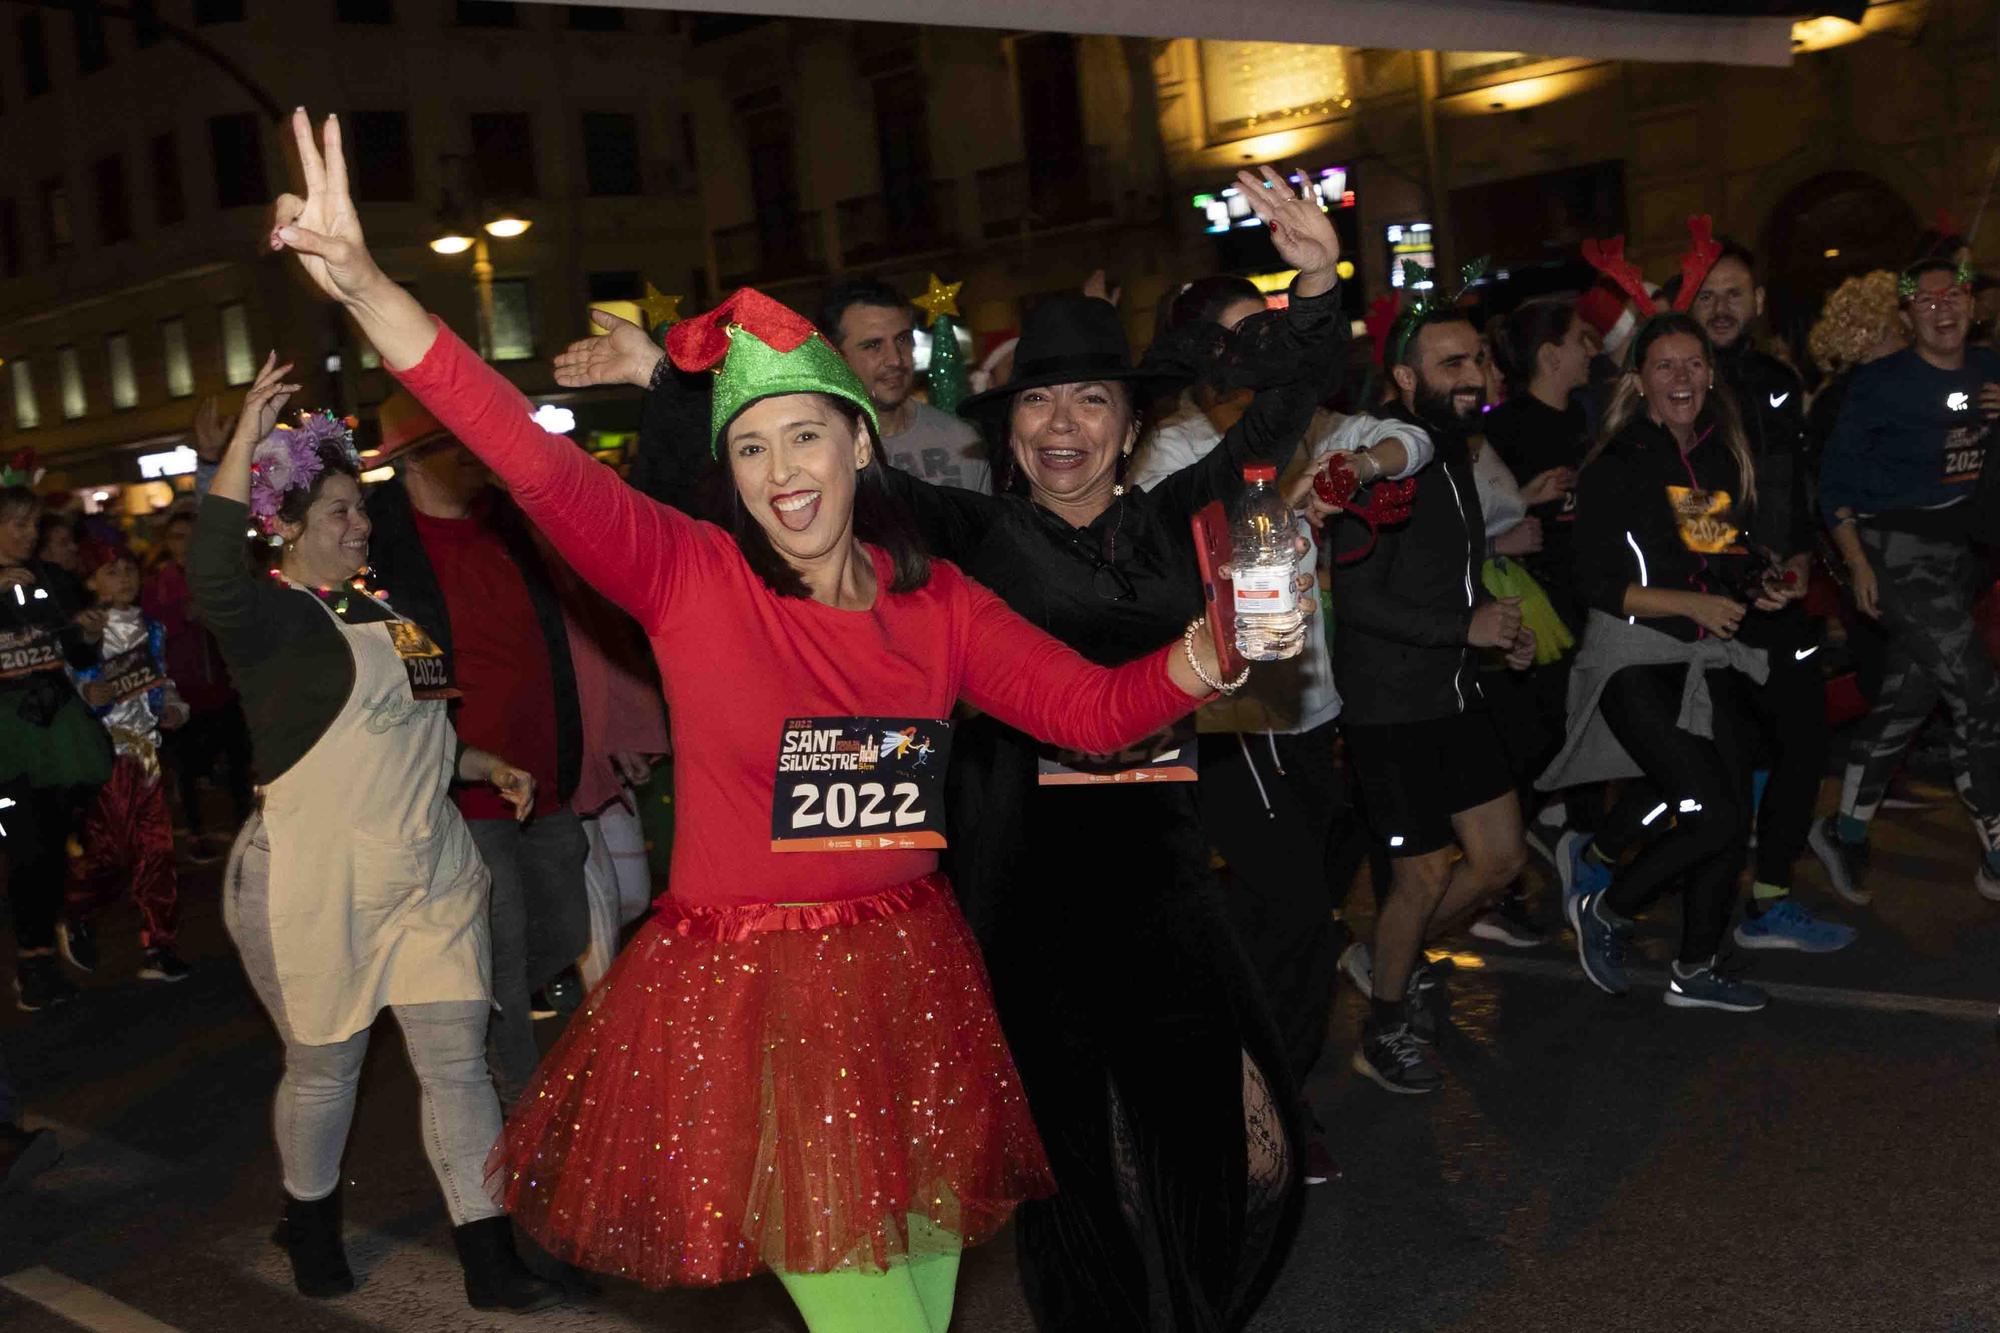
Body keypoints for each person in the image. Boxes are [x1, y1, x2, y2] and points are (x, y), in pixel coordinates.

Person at [268, 107, 1238, 1333]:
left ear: (858, 443)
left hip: (908, 981)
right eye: (748, 449)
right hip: (758, 1000)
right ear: (726, 475)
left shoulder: (936, 604)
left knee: (921, 1304)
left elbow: (1093, 712)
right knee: (865, 1317)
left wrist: (1208, 653)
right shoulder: (693, 580)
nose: (781, 470)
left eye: (803, 436)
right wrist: (366, 286)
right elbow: (524, 455)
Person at [578, 165, 1339, 1330]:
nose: (1062, 424)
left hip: (1159, 879)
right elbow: (809, 480)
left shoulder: (1182, 519)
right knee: (1065, 1171)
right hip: (1017, 888)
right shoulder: (968, 537)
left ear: (1130, 425)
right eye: (1037, 402)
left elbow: (1284, 413)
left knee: (1220, 1153)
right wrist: (679, 391)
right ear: (1010, 428)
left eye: (1089, 400)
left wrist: (1318, 280)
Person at [193, 360, 559, 1312]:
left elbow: (417, 732)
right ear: (285, 528)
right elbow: (209, 568)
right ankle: (309, 1221)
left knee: (455, 1063)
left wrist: (485, 766)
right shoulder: (271, 616)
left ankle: (488, 1255)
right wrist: (241, 443)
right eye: (339, 515)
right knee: (326, 1067)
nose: (361, 526)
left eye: (361, 510)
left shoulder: (389, 615)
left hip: (428, 868)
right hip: (318, 877)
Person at [1127, 271, 1428, 1181]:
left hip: (1307, 705)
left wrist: (1355, 467)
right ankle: (1271, 1104)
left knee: (1284, 907)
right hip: (1230, 713)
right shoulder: (1168, 449)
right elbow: (1156, 562)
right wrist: (1284, 510)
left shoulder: (1308, 420)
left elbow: (1411, 438)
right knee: (1298, 910)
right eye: (1239, 340)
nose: (1261, 354)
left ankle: (1213, 1068)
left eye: (1270, 335)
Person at [1545, 311, 1798, 1013]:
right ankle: (1609, 910)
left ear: (1710, 376)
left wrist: (1757, 585)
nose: (1682, 378)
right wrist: (1694, 602)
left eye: (1693, 365)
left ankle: (1695, 968)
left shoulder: (1714, 456)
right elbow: (1595, 582)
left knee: (1724, 812)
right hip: (1631, 658)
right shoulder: (1618, 462)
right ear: (1640, 380)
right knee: (1713, 813)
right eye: (1665, 366)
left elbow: (1716, 558)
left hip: (1699, 656)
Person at [363, 390, 591, 1105]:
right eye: (452, 440)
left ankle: (477, 1034)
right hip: (462, 788)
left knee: (564, 930)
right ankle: (518, 1111)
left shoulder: (512, 524)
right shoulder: (382, 551)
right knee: (501, 941)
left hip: (545, 775)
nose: (472, 451)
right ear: (409, 460)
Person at [1328, 304, 1535, 1094]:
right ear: (1406, 378)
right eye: (1450, 363)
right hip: (1389, 706)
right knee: (1418, 878)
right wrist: (1465, 624)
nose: (1472, 375)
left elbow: (1453, 573)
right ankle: (1382, 1029)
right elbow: (1359, 598)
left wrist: (1497, 629)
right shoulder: (1381, 457)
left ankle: (1385, 952)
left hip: (1455, 689)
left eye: (1476, 358)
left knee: (1501, 860)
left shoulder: (1454, 451)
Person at [1674, 239, 1851, 952]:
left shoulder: (1779, 378)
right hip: (1704, 605)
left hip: (1781, 598)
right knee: (1710, 768)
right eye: (1707, 294)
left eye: (1734, 293)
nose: (1721, 307)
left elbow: (1794, 486)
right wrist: (1742, 572)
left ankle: (1770, 896)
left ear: (1756, 303)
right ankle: (1604, 870)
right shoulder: (1674, 380)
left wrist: (1805, 556)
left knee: (1803, 744)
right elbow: (1682, 494)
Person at [1816, 257, 2000, 902]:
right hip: (1896, 554)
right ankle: (1997, 850)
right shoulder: (1881, 383)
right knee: (1978, 693)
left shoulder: (1990, 370)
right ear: (1906, 315)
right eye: (1925, 301)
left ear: (1973, 305)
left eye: (1954, 296)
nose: (1942, 308)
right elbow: (1833, 486)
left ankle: (1844, 829)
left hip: (1961, 560)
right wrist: (1859, 565)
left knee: (1908, 699)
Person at [60, 539, 193, 984]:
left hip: (147, 755)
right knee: (111, 856)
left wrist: (174, 707)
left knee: (157, 853)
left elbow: (162, 679)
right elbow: (68, 683)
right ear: (91, 580)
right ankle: (75, 908)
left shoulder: (152, 628)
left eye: (129, 569)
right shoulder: (80, 631)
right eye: (112, 571)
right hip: (105, 757)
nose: (125, 578)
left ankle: (160, 944)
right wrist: (86, 692)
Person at [1, 487, 110, 1013]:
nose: (27, 535)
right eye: (16, 525)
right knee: (25, 847)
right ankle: (32, 959)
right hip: (8, 731)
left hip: (59, 727)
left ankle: (43, 954)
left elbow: (76, 648)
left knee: (50, 846)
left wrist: (89, 630)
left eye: (31, 525)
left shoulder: (50, 579)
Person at [145, 504, 254, 861]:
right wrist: (183, 617)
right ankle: (196, 832)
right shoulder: (158, 584)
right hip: (184, 690)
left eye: (191, 535)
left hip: (225, 686)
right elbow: (150, 631)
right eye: (177, 536)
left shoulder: (218, 574)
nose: (185, 542)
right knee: (189, 767)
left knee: (239, 761)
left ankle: (245, 828)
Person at [821, 277, 991, 492]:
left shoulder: (961, 442)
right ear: (835, 357)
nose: (895, 360)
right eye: (873, 345)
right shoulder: (822, 452)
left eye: (902, 339)